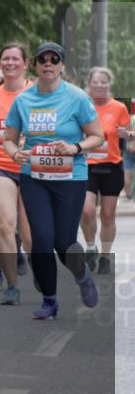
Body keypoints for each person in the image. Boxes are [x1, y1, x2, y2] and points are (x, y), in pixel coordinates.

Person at [2, 42, 104, 320]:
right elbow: (8, 139)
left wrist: (75, 148)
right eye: (43, 59)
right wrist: (15, 153)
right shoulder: (23, 100)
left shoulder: (77, 98)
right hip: (34, 177)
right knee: (41, 240)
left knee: (64, 243)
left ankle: (82, 276)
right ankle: (49, 300)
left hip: (71, 177)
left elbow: (98, 136)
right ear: (35, 65)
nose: (48, 63)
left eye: (54, 59)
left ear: (62, 66)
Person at [0, 43, 33, 305]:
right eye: (5, 59)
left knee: (30, 236)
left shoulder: (37, 94)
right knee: (4, 225)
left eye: (16, 59)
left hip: (33, 168)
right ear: (0, 63)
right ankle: (12, 286)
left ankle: (41, 275)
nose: (10, 63)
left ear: (26, 64)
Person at [80, 67, 131, 275]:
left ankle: (105, 256)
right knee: (87, 210)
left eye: (104, 82)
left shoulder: (119, 107)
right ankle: (91, 246)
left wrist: (127, 133)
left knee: (108, 215)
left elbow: (129, 137)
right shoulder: (82, 106)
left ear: (109, 85)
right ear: (89, 84)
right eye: (96, 82)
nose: (100, 85)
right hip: (87, 165)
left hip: (111, 166)